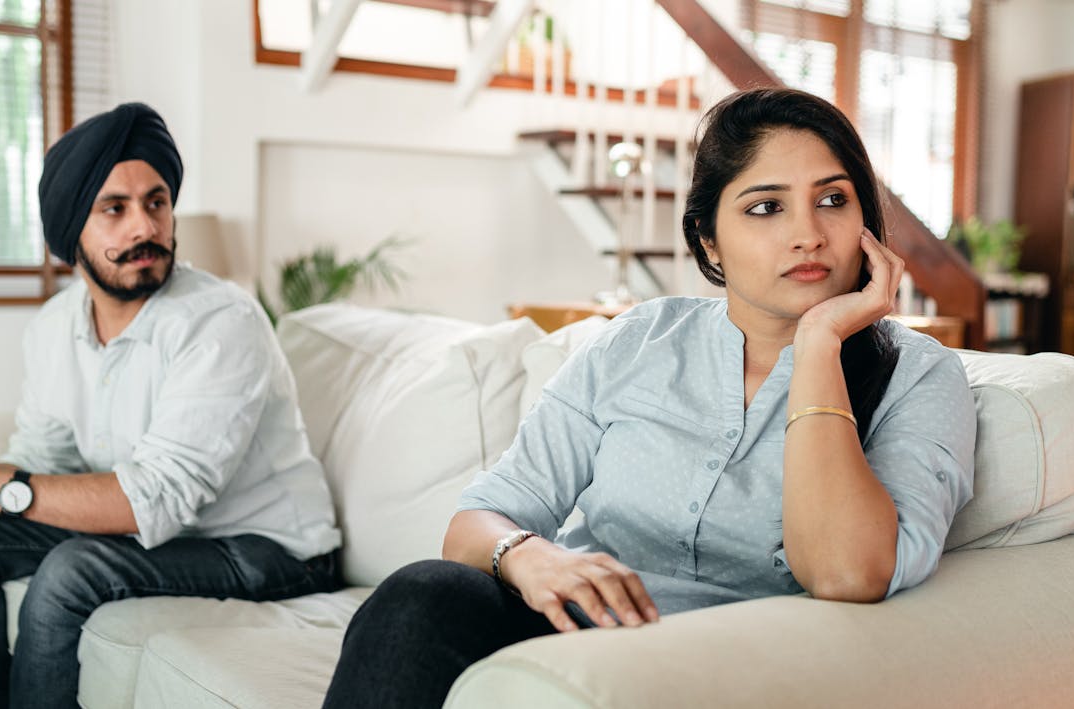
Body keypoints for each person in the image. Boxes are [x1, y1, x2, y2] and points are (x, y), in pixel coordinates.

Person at [321, 87, 977, 708]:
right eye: (766, 206)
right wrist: (529, 554)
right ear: (708, 239)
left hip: (729, 669)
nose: (808, 233)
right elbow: (475, 523)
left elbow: (845, 572)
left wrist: (819, 343)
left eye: (833, 200)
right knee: (418, 597)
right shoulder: (638, 341)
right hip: (566, 640)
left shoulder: (918, 377)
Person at [0, 103, 342, 709]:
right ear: (70, 235)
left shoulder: (221, 322)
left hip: (271, 550)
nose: (144, 228)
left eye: (156, 203)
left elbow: (158, 496)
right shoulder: (56, 327)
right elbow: (42, 455)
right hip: (169, 534)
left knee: (71, 571)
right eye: (115, 209)